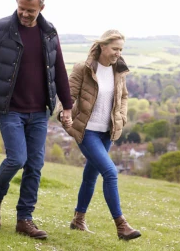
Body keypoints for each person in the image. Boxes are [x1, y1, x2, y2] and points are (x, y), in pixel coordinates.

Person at [0, 0, 73, 240]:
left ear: (42, 8)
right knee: (17, 159)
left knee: (35, 165)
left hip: (39, 110)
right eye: (21, 8)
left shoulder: (49, 32)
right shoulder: (1, 28)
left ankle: (24, 219)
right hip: (9, 107)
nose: (25, 14)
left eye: (31, 10)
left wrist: (67, 106)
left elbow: (58, 70)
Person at [57, 29, 141, 241]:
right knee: (110, 172)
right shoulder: (83, 69)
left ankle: (78, 219)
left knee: (90, 176)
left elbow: (123, 97)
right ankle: (121, 225)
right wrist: (62, 113)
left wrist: (121, 117)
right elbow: (67, 96)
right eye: (115, 48)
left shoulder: (118, 70)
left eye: (120, 49)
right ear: (103, 47)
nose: (118, 53)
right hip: (87, 131)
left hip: (107, 133)